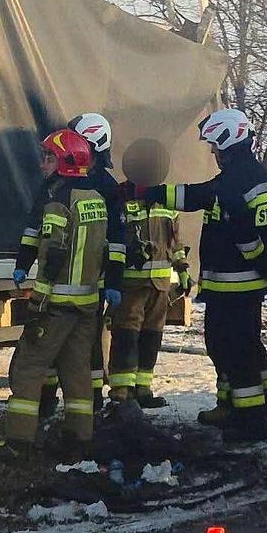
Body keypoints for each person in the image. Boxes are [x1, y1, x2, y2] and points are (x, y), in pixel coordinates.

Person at [137, 109, 267, 444]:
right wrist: (149, 193)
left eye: (214, 148)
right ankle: (260, 404)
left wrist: (262, 260)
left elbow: (243, 234)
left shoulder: (235, 183)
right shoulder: (257, 177)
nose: (213, 154)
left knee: (230, 348)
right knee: (247, 346)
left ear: (227, 143)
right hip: (246, 286)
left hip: (232, 284)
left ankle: (248, 421)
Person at [0, 129, 123, 458]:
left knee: (29, 365)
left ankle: (17, 441)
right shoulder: (96, 198)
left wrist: (38, 297)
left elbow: (54, 253)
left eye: (49, 157)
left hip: (58, 303)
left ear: (66, 162)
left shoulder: (58, 201)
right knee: (77, 369)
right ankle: (79, 438)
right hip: (87, 304)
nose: (43, 164)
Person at [38, 113, 127, 419]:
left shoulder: (104, 186)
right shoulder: (67, 179)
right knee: (71, 343)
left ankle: (85, 402)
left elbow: (117, 240)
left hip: (89, 280)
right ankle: (70, 400)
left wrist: (113, 281)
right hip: (76, 279)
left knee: (79, 344)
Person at [109, 138, 190, 409]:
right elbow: (113, 238)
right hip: (130, 284)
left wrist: (183, 269)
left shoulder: (166, 200)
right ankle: (121, 391)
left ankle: (143, 388)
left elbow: (175, 243)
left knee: (152, 337)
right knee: (126, 336)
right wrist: (131, 253)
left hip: (160, 285)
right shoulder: (121, 198)